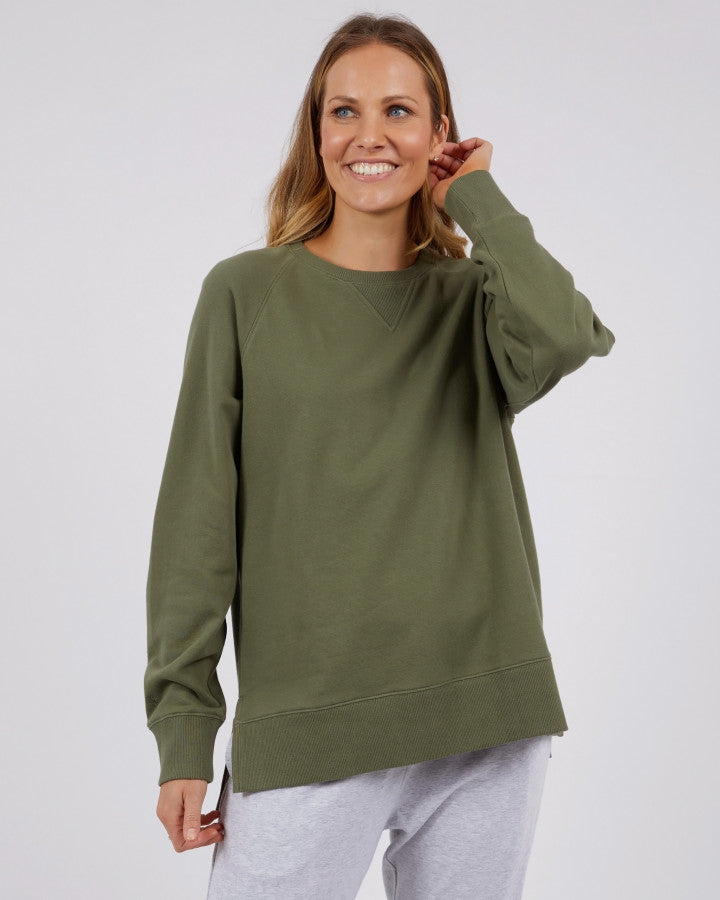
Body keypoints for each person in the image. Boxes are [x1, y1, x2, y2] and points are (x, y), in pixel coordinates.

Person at [144, 12, 615, 899]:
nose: (369, 135)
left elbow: (565, 335)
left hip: (486, 719)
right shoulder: (245, 294)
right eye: (344, 111)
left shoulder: (477, 300)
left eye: (399, 111)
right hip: (309, 728)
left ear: (439, 135)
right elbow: (196, 527)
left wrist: (477, 198)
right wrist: (185, 730)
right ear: (316, 132)